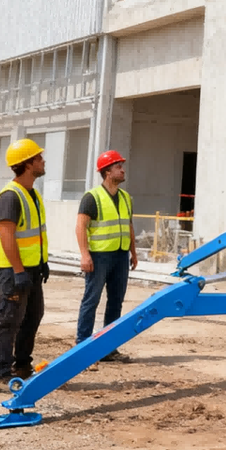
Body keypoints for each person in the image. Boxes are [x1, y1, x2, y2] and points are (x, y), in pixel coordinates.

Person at [0, 138, 49, 392]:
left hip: (31, 268)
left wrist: (42, 263)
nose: (43, 161)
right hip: (13, 271)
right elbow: (7, 236)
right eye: (38, 158)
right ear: (27, 164)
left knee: (33, 316)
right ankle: (1, 375)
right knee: (9, 320)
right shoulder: (10, 196)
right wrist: (18, 270)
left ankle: (22, 366)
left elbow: (34, 234)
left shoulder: (32, 194)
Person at [75, 150, 138, 360]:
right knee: (91, 300)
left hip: (120, 256)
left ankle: (109, 348)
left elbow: (129, 226)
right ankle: (82, 346)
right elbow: (81, 227)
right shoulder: (92, 197)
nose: (123, 170)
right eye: (118, 166)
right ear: (107, 172)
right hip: (99, 256)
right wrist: (85, 255)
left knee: (116, 301)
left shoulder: (126, 197)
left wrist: (133, 252)